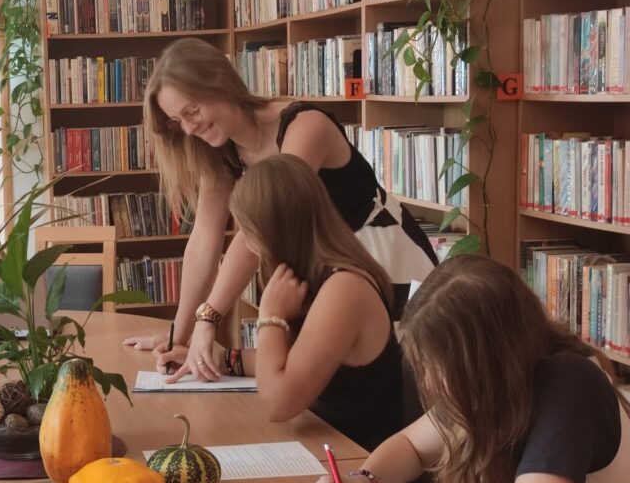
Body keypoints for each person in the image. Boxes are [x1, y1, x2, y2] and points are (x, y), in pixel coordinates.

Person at [313, 255, 630, 483]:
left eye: (436, 368)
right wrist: (364, 480)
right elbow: (412, 446)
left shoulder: (572, 386)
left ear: (483, 361)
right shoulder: (502, 380)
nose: (428, 383)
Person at [121, 38, 437, 381]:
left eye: (191, 111)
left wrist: (207, 319)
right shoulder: (222, 151)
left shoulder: (304, 126)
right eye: (177, 120)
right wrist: (176, 341)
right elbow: (204, 241)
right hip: (333, 270)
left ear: (219, 83)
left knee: (403, 380)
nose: (188, 128)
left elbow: (259, 232)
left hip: (384, 260)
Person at [223, 154, 407, 451]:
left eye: (246, 229)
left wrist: (270, 317)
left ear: (271, 230)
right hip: (326, 446)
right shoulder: (318, 275)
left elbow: (278, 404)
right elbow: (294, 361)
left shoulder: (344, 288)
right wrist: (216, 361)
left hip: (357, 463)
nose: (244, 241)